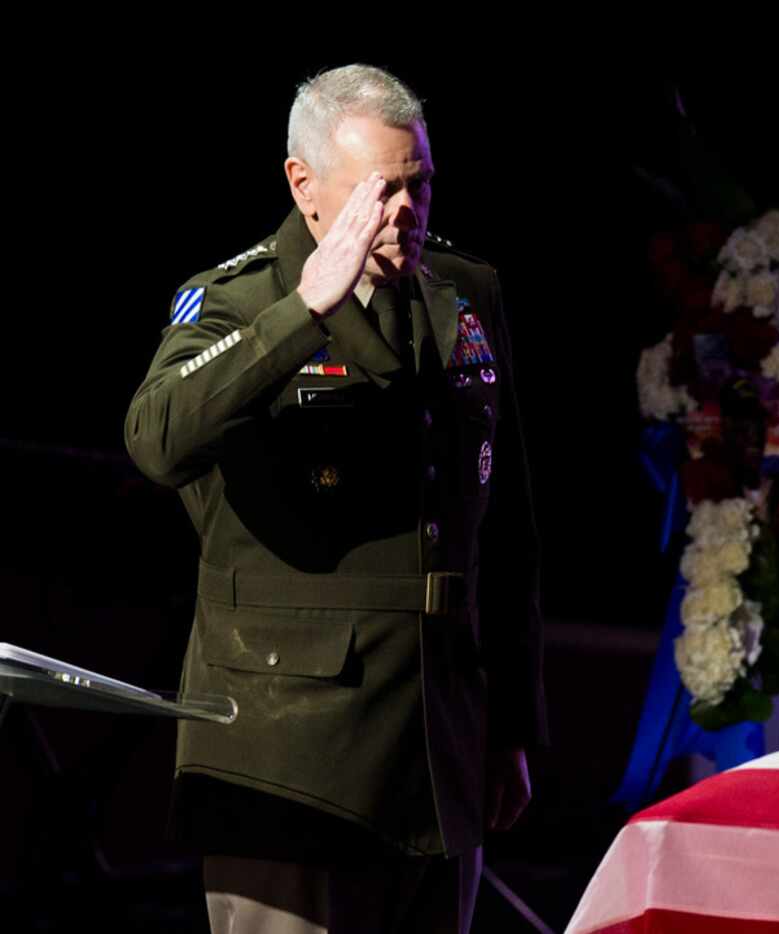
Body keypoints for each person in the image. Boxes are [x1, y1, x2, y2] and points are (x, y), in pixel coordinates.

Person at [124, 63, 547, 933]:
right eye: (380, 192)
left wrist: (509, 726)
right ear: (304, 186)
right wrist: (303, 311)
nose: (405, 214)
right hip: (292, 757)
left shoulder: (466, 290)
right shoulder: (240, 299)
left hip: (440, 745)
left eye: (418, 185)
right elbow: (156, 439)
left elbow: (503, 525)